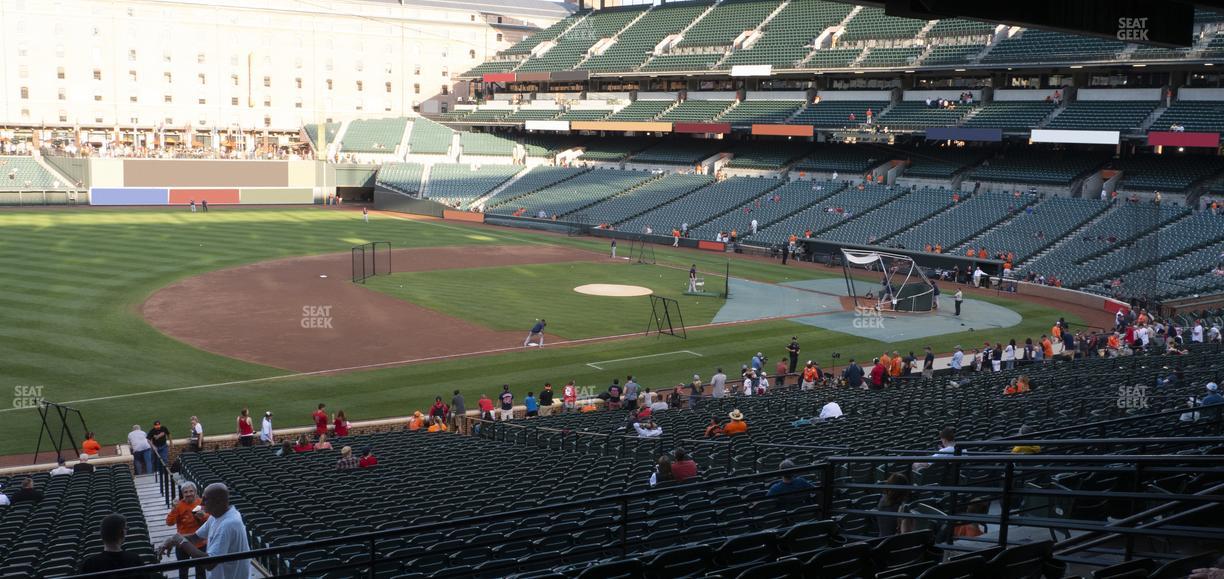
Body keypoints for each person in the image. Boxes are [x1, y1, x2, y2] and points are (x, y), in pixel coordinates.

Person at [158, 483, 250, 579]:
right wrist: (172, 539)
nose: (201, 503)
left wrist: (180, 539)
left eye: (205, 499)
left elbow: (209, 563)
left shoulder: (228, 524)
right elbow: (195, 537)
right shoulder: (216, 516)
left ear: (218, 502)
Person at [79, 513, 153, 578]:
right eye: (126, 528)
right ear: (122, 532)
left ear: (102, 534)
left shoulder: (90, 564)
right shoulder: (135, 560)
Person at [166, 482, 209, 579]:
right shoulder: (179, 505)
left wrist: (203, 516)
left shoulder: (202, 503)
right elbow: (169, 522)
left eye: (191, 491)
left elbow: (211, 520)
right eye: (186, 492)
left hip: (200, 542)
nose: (189, 494)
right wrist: (174, 509)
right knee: (183, 571)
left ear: (195, 491)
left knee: (201, 572)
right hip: (182, 543)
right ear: (182, 494)